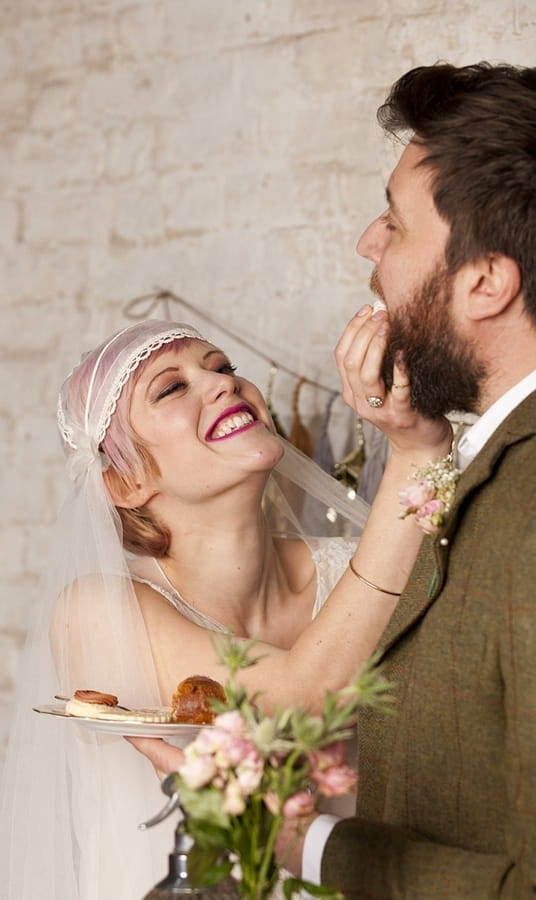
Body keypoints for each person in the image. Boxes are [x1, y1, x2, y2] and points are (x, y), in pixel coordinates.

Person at [0, 316, 451, 900]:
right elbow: (301, 699)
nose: (225, 384)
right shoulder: (97, 610)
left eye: (223, 367)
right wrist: (415, 454)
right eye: (171, 387)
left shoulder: (356, 566)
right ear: (125, 483)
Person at [279, 61, 536, 899]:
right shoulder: (494, 462)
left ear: (486, 282)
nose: (366, 242)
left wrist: (315, 846)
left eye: (394, 222)